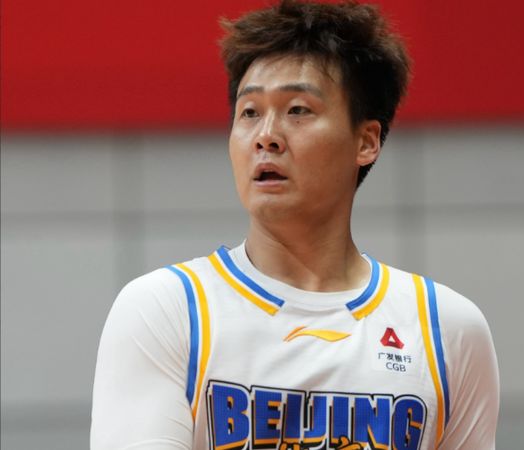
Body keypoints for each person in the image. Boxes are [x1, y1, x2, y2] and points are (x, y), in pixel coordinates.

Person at [91, 1, 499, 449]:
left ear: (366, 141)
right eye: (249, 112)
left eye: (298, 110)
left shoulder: (447, 329)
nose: (266, 135)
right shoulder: (168, 311)